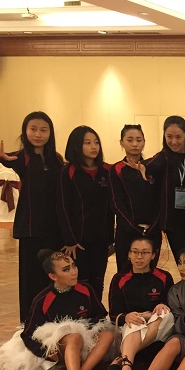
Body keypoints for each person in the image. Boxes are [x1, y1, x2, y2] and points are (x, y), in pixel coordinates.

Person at [0, 250, 115, 370]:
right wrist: (44, 352)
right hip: (61, 347)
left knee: (108, 335)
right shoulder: (42, 299)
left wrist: (87, 325)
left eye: (74, 266)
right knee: (74, 336)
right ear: (53, 276)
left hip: (85, 344)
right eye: (66, 269)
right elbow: (27, 334)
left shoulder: (86, 289)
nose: (74, 272)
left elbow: (99, 315)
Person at [0, 111, 64, 322]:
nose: (38, 134)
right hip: (31, 229)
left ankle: (53, 319)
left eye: (43, 130)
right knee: (31, 278)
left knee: (54, 276)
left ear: (50, 133)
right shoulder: (21, 157)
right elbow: (9, 160)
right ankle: (29, 321)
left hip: (55, 228)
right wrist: (0, 158)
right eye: (33, 129)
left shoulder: (56, 159)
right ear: (25, 131)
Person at [107, 237, 175, 370]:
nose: (139, 257)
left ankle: (122, 358)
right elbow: (113, 314)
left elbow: (173, 307)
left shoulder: (164, 277)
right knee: (135, 323)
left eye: (145, 253)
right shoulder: (119, 279)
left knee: (165, 313)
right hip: (133, 327)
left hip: (158, 325)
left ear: (153, 255)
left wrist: (162, 305)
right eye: (135, 252)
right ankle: (127, 369)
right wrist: (126, 316)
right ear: (129, 254)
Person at [58, 126, 113, 298]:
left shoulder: (106, 170)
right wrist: (70, 239)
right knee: (81, 281)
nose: (93, 147)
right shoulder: (68, 172)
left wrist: (110, 238)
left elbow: (110, 207)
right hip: (78, 241)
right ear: (76, 145)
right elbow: (63, 207)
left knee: (98, 280)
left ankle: (96, 311)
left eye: (96, 142)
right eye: (87, 143)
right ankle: (81, 311)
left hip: (101, 238)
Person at [148, 116, 185, 263]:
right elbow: (144, 170)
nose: (174, 141)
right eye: (169, 137)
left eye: (178, 137)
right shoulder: (161, 159)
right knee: (184, 262)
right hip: (174, 222)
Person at [110, 124, 162, 272]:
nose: (134, 144)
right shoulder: (116, 169)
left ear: (144, 142)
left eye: (139, 140)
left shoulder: (152, 167)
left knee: (150, 273)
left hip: (152, 231)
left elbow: (159, 199)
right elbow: (116, 202)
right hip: (127, 232)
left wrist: (153, 226)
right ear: (122, 142)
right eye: (130, 140)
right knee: (126, 273)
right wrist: (134, 228)